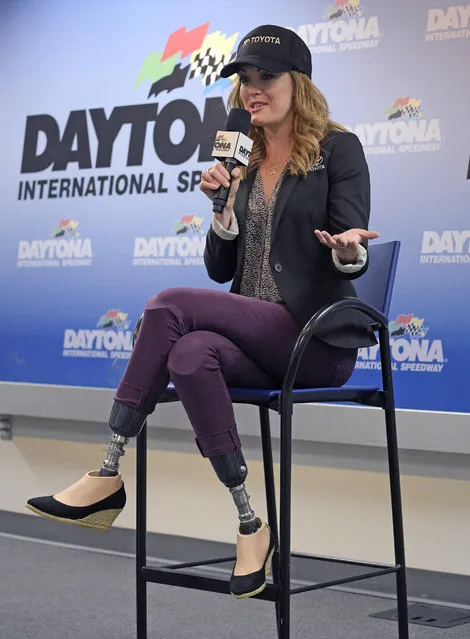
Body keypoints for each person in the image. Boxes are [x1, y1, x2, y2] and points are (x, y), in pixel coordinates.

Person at [26, 24, 378, 599]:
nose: (252, 90)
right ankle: (250, 524)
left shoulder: (339, 149)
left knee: (169, 305)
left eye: (266, 77)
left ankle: (107, 471)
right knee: (189, 355)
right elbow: (220, 269)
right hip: (254, 339)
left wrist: (348, 250)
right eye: (244, 79)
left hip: (315, 341)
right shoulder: (242, 157)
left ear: (300, 84)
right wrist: (223, 210)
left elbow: (352, 248)